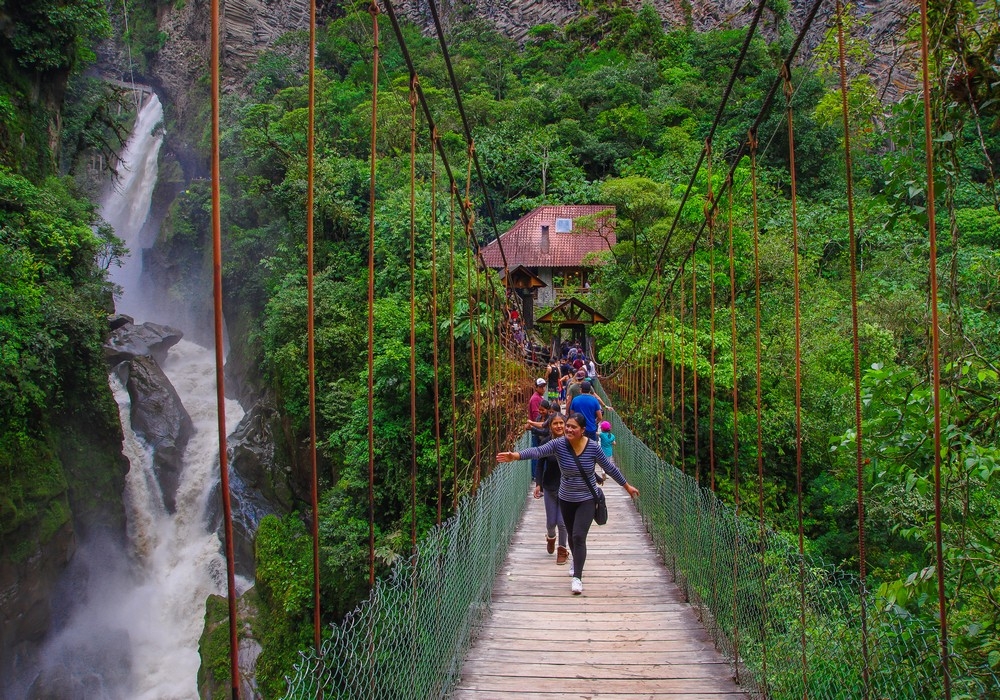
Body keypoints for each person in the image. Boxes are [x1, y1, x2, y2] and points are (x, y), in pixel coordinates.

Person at [498, 413, 639, 595]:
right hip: (566, 498)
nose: (569, 429)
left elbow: (610, 468)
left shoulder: (593, 448)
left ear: (582, 431)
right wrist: (515, 455)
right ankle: (576, 560)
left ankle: (577, 578)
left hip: (587, 498)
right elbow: (538, 452)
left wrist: (626, 486)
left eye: (573, 427)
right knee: (572, 537)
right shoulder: (559, 444)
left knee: (579, 536)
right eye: (568, 426)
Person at [532, 413, 569, 564]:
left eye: (562, 423)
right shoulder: (546, 443)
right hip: (550, 486)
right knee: (551, 523)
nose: (559, 426)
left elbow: (583, 461)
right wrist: (538, 484)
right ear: (550, 426)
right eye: (556, 423)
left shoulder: (571, 442)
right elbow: (540, 464)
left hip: (567, 488)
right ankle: (551, 537)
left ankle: (562, 550)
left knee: (562, 522)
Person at [528, 378, 546, 482]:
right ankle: (535, 475)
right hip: (536, 430)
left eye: (544, 386)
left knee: (539, 451)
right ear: (536, 387)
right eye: (541, 386)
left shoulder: (539, 397)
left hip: (538, 428)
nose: (543, 388)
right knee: (536, 452)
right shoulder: (535, 399)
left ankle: (538, 474)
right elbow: (536, 416)